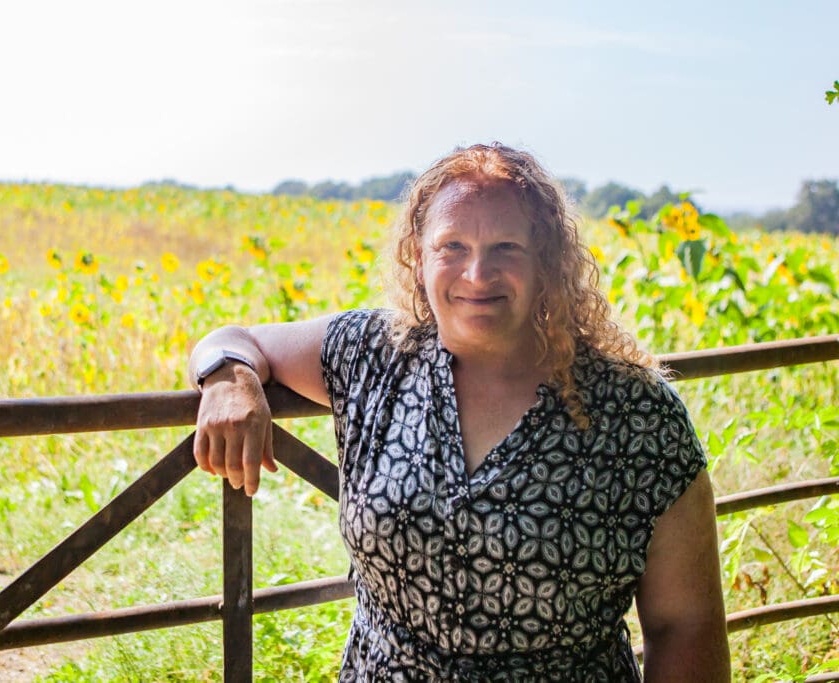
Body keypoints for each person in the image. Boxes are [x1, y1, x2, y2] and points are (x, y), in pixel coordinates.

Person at [188, 142, 730, 681]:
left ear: (546, 261)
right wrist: (230, 381)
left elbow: (686, 626)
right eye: (452, 246)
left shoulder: (638, 415)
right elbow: (232, 339)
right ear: (418, 258)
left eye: (506, 247)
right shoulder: (374, 354)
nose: (476, 273)